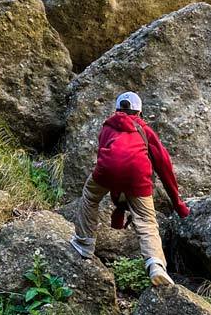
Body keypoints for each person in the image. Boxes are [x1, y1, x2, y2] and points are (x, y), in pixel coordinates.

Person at [71, 91, 190, 286]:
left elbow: (111, 164)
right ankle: (156, 265)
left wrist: (119, 202)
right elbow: (164, 166)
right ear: (139, 113)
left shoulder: (107, 127)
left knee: (90, 196)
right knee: (146, 221)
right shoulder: (145, 130)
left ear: (117, 110)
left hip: (106, 172)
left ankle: (84, 244)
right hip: (138, 175)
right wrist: (178, 203)